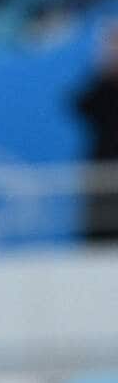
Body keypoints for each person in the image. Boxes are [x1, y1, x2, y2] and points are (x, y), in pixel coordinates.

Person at [74, 20, 118, 245]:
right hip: (103, 167)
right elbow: (79, 104)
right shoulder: (101, 88)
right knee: (100, 239)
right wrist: (103, 72)